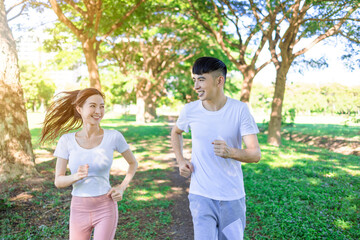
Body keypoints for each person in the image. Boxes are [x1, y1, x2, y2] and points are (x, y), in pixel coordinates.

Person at [171, 57, 261, 240]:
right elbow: (176, 132)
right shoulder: (190, 110)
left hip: (232, 197)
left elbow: (255, 154)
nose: (196, 85)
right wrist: (181, 161)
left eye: (201, 79)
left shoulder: (239, 110)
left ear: (219, 81)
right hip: (200, 195)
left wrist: (231, 152)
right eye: (194, 79)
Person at [40, 88, 138, 240]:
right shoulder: (66, 141)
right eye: (92, 106)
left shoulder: (114, 137)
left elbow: (133, 163)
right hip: (79, 208)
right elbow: (58, 181)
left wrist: (122, 187)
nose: (98, 111)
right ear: (79, 109)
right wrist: (76, 176)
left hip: (105, 206)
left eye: (102, 106)